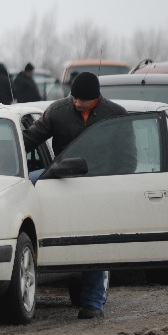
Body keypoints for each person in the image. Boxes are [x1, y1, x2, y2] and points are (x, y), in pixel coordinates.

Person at [22, 71, 128, 320]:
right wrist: (0, 154)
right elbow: (31, 138)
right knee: (27, 184)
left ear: (96, 98)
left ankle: (92, 303)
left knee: (95, 243)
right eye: (74, 98)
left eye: (82, 100)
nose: (77, 102)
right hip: (61, 178)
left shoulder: (115, 115)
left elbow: (127, 153)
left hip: (98, 185)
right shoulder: (57, 111)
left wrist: (123, 181)